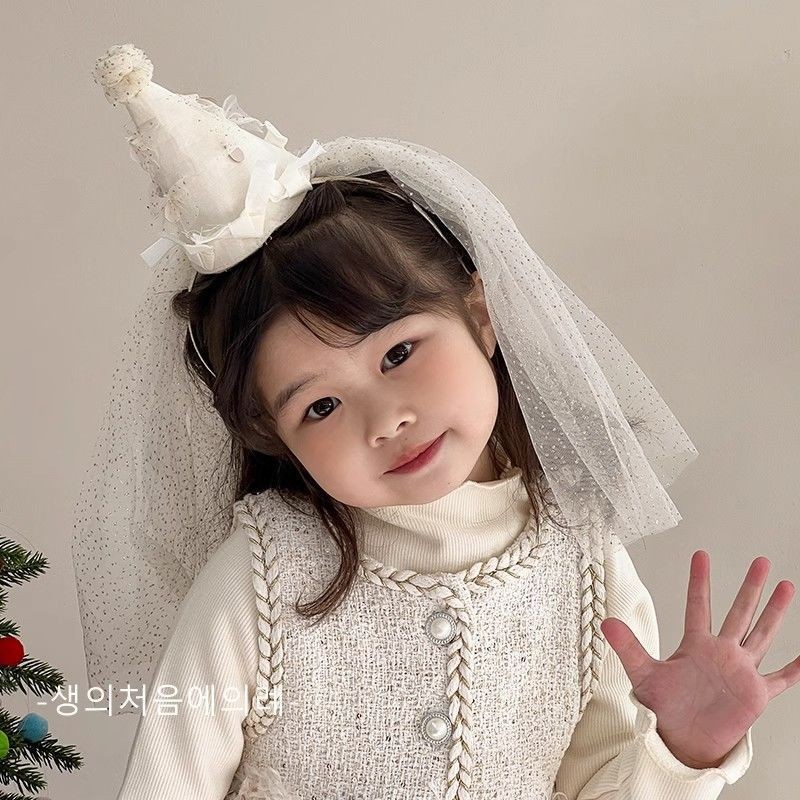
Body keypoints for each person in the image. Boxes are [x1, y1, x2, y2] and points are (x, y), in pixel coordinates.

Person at [74, 43, 799, 800]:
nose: (386, 419)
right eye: (320, 406)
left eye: (398, 353)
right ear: (272, 434)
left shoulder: (585, 562)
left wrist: (681, 753)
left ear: (482, 315)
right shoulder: (258, 580)